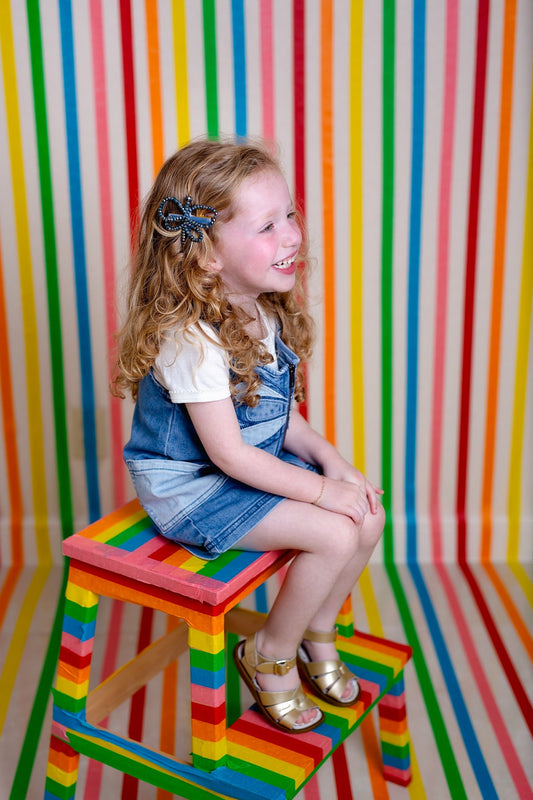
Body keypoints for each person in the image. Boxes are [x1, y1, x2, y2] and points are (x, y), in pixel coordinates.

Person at [113, 138, 385, 734]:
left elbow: (279, 419)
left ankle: (314, 631)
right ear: (208, 255)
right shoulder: (191, 338)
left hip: (245, 467)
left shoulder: (259, 309)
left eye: (289, 214)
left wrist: (334, 465)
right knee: (334, 532)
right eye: (268, 226)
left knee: (367, 514)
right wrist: (323, 494)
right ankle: (269, 653)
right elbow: (230, 454)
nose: (292, 236)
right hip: (193, 488)